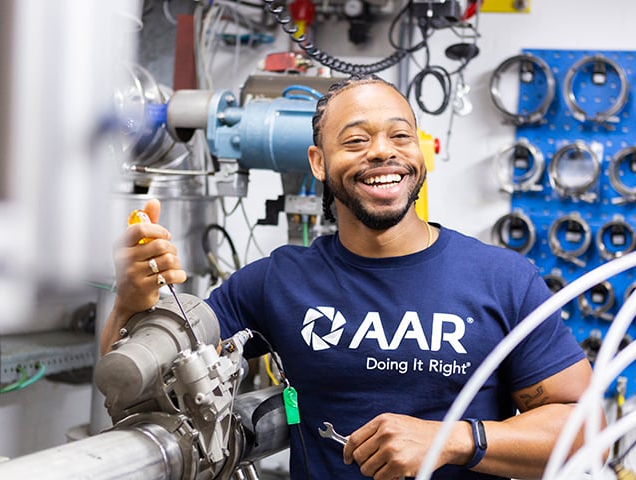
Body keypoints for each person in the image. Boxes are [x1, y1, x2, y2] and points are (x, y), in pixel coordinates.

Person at [101, 75, 599, 480]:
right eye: (356, 140)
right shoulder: (277, 282)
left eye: (400, 135)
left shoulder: (503, 279)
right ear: (319, 162)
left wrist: (450, 440)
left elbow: (585, 429)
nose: (382, 152)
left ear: (419, 155)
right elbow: (134, 387)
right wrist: (131, 301)